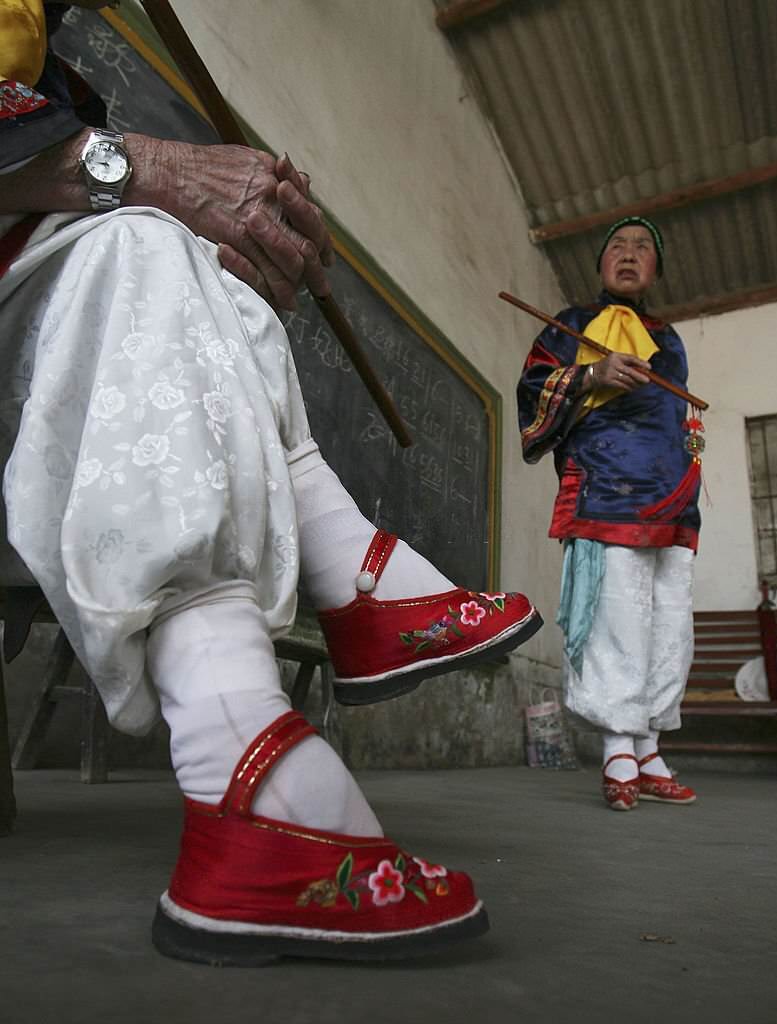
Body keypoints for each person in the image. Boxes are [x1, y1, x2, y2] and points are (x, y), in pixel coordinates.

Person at [0, 1, 543, 963]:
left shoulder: (55, 59)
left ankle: (306, 658)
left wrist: (145, 188)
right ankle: (241, 736)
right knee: (136, 243)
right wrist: (144, 170)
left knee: (193, 269)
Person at [517, 215, 700, 811]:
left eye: (643, 247)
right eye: (616, 246)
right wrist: (591, 372)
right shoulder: (571, 324)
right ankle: (618, 746)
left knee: (667, 622)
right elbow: (533, 388)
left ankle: (648, 746)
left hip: (675, 497)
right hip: (607, 488)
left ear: (656, 269)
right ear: (600, 264)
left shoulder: (669, 339)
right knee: (618, 618)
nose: (628, 254)